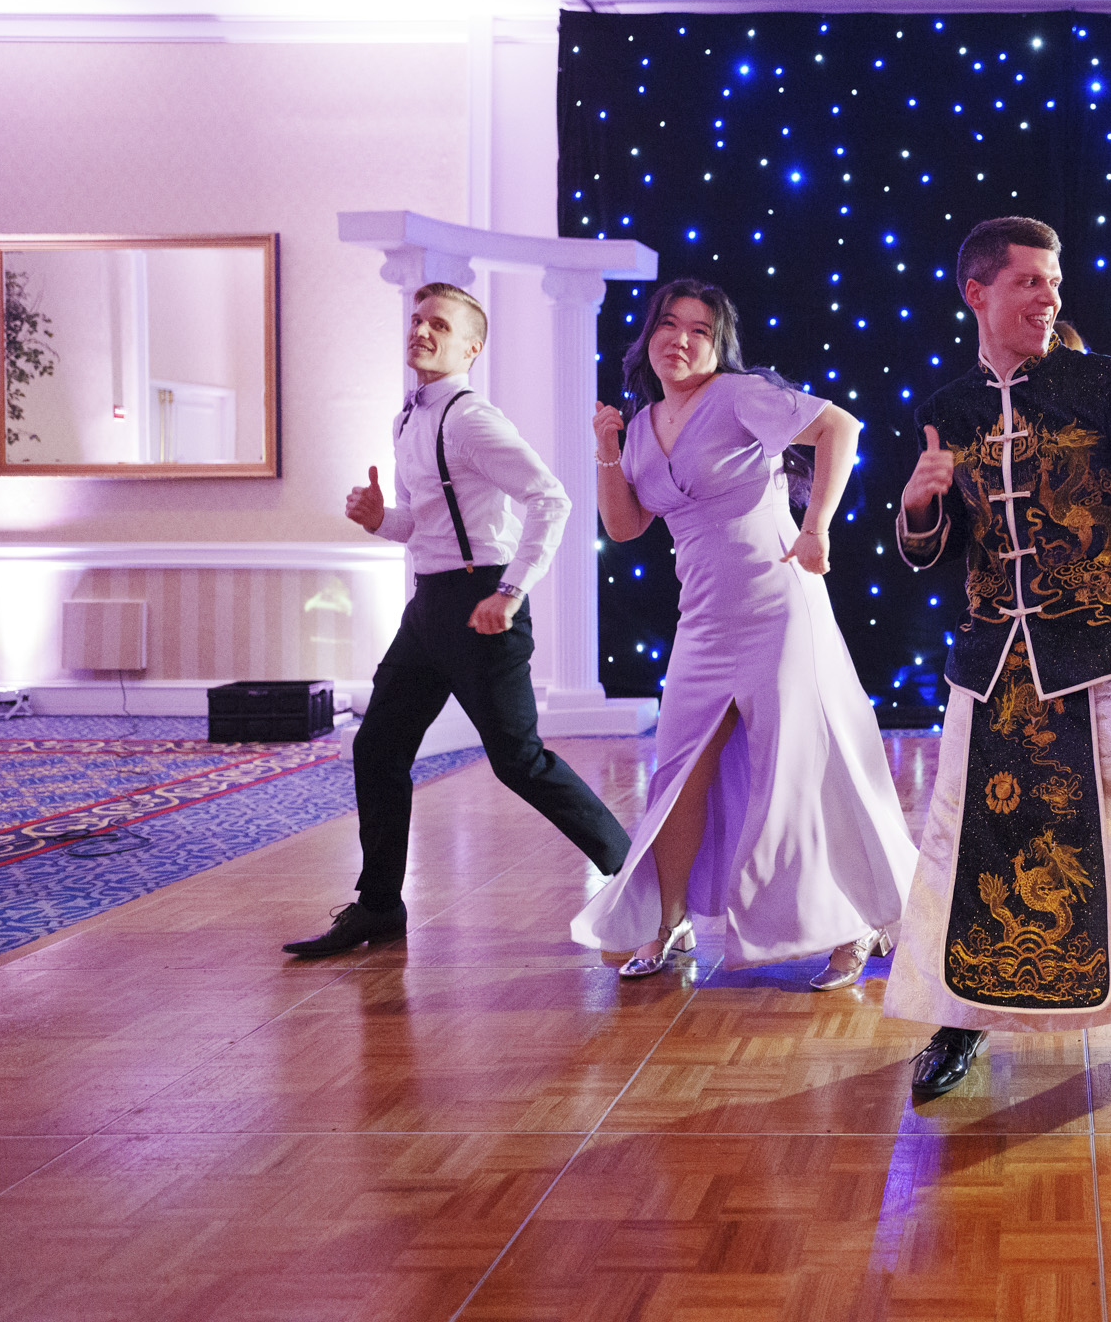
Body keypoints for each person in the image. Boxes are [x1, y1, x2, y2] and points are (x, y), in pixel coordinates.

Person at [886, 217, 1111, 1104]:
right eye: (1028, 283)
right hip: (991, 663)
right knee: (974, 840)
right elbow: (943, 547)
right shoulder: (949, 407)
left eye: (1053, 282)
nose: (1048, 297)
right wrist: (921, 510)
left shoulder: (1109, 385)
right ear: (977, 293)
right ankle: (957, 1015)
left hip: (1106, 652)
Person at [570, 279, 917, 985]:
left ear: (718, 344)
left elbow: (840, 426)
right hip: (701, 622)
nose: (682, 340)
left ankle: (852, 922)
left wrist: (817, 526)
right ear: (649, 337)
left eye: (700, 330)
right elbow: (625, 525)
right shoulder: (639, 427)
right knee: (677, 777)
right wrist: (607, 443)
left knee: (803, 767)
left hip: (776, 606)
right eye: (669, 325)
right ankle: (666, 924)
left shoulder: (737, 396)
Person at [285, 282, 629, 958]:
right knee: (377, 748)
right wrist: (379, 519)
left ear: (472, 346)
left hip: (481, 605)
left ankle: (635, 876)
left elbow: (549, 499)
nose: (421, 330)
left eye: (439, 324)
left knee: (519, 763)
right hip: (429, 607)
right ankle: (379, 905)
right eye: (417, 320)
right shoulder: (407, 418)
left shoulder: (473, 420)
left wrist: (510, 592)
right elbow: (429, 525)